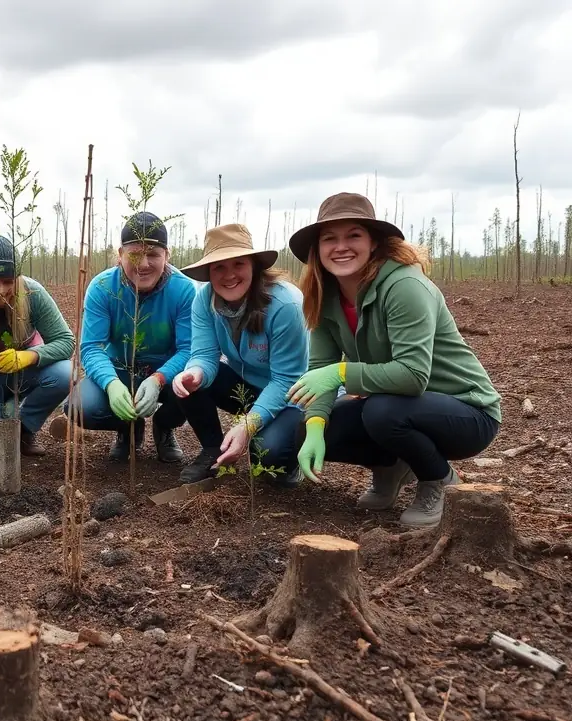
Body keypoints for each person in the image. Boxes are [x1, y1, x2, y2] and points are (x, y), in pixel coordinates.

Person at [286, 192, 501, 526]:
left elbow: (412, 375)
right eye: (330, 239)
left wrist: (340, 373)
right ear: (318, 250)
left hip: (467, 411)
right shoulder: (325, 297)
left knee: (381, 411)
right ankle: (390, 468)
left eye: (353, 235)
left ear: (374, 243)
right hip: (400, 405)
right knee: (314, 426)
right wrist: (315, 424)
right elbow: (319, 369)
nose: (341, 246)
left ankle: (439, 480)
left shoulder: (404, 285)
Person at [173, 223, 308, 485]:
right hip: (250, 384)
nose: (229, 275)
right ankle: (214, 451)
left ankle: (292, 460)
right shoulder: (205, 300)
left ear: (254, 266)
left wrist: (247, 426)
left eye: (238, 264)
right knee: (188, 383)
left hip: (295, 393)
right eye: (219, 267)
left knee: (269, 457)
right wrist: (195, 372)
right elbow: (203, 353)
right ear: (209, 273)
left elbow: (285, 380)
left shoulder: (284, 305)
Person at [66, 211, 195, 463]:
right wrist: (111, 384)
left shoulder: (184, 290)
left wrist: (158, 378)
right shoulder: (102, 287)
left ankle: (164, 425)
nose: (144, 264)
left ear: (167, 255)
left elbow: (189, 349)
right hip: (119, 371)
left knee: (196, 388)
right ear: (120, 254)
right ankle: (128, 427)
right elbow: (91, 347)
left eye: (154, 254)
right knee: (81, 406)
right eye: (135, 253)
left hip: (167, 375)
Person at [0, 235, 74, 467]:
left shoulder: (33, 294)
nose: (1, 290)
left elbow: (66, 341)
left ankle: (24, 429)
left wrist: (29, 355)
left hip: (24, 371)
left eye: (8, 281)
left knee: (66, 374)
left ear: (17, 276)